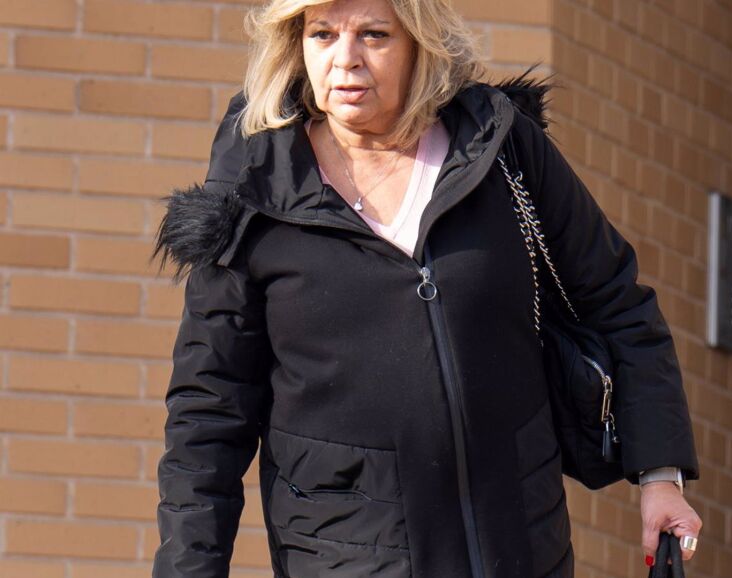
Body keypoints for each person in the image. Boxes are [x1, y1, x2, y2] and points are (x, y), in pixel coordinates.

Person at [149, 0, 702, 576]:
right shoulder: (254, 190)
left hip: (519, 546)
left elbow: (618, 304)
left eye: (374, 35)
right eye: (322, 35)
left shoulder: (498, 149)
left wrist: (660, 475)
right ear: (295, 46)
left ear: (420, 43)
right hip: (346, 556)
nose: (345, 59)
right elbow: (208, 407)